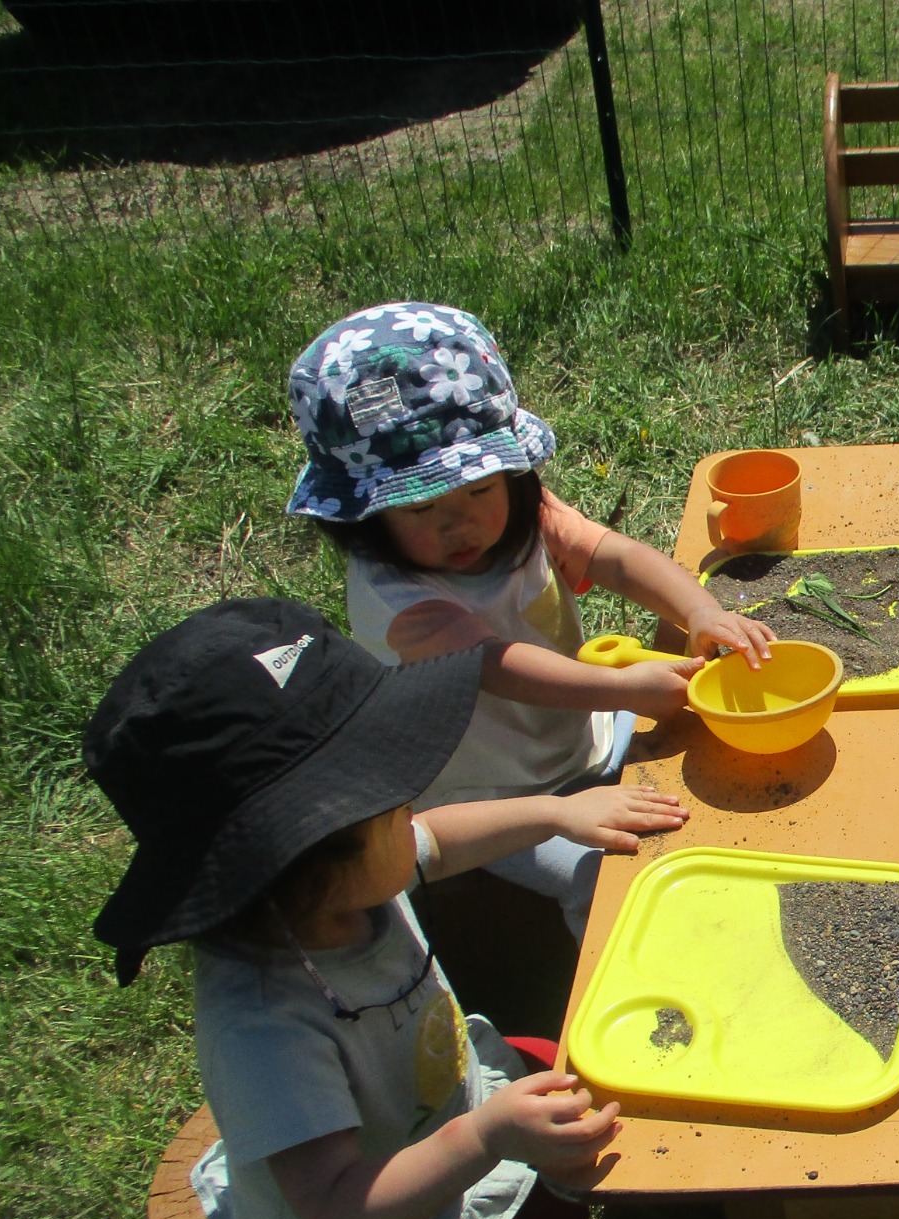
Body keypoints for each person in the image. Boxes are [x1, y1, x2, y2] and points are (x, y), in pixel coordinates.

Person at [85, 598, 695, 1219]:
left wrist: (556, 814)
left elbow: (436, 843)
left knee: (551, 1073)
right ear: (306, 857)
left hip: (431, 1105)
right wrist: (487, 1137)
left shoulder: (336, 877)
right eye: (390, 800)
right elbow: (336, 1206)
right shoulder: (264, 1023)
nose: (416, 804)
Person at [285, 301, 774, 937]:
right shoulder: (397, 596)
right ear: (363, 516)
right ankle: (586, 986)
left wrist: (700, 609)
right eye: (420, 507)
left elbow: (614, 556)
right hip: (488, 800)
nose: (458, 522)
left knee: (714, 755)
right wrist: (627, 691)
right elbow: (502, 667)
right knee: (601, 880)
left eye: (479, 490)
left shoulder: (523, 508)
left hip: (580, 734)